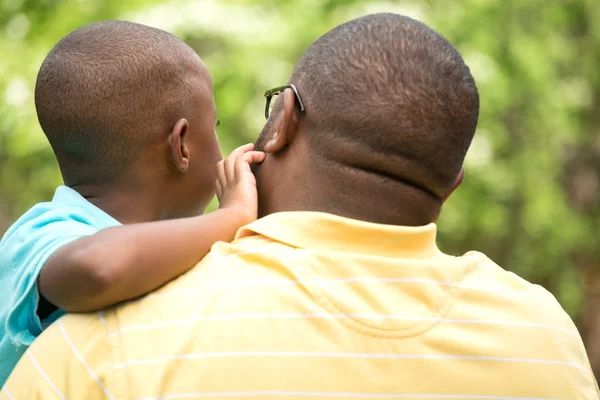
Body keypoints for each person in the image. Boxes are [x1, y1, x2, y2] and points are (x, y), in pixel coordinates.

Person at [3, 13, 599, 399]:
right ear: (453, 181)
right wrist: (228, 223)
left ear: (284, 120)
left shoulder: (105, 340)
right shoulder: (546, 333)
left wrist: (231, 224)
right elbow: (96, 265)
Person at [0, 21, 264, 385]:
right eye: (214, 126)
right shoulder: (41, 233)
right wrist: (233, 216)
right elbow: (98, 267)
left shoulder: (162, 253)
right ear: (181, 145)